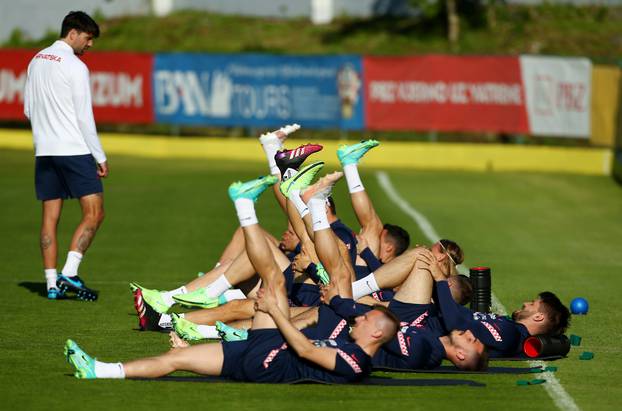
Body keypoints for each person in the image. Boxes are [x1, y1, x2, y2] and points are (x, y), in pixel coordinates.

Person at [65, 175, 398, 382]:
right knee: (176, 358)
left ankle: (246, 205)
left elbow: (303, 350)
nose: (361, 316)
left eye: (367, 318)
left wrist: (276, 312)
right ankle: (100, 369)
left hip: (270, 360)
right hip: (264, 348)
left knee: (275, 282)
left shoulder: (355, 363)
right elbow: (326, 302)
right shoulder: (357, 337)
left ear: (377, 333)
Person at [23, 11, 106, 301]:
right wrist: (99, 155)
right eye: (88, 38)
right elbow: (85, 117)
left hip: (44, 151)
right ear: (73, 34)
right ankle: (69, 272)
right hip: (74, 149)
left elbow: (28, 110)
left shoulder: (36, 60)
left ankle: (50, 284)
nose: (90, 45)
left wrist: (44, 135)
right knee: (95, 213)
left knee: (50, 218)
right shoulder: (75, 66)